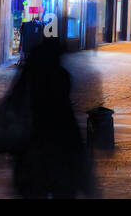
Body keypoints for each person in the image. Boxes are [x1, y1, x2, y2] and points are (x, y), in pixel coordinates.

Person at [9, 37, 95, 199]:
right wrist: (87, 181)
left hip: (31, 163)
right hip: (58, 161)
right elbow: (70, 127)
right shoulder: (60, 79)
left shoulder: (27, 80)